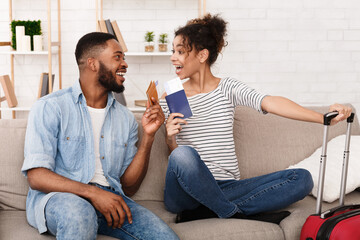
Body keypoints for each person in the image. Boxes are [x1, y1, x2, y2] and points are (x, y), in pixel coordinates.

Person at [160, 14, 352, 224]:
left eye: (180, 52)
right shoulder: (173, 94)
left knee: (302, 179)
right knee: (182, 155)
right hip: (186, 193)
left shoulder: (227, 88)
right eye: (173, 51)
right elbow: (179, 161)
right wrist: (171, 140)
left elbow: (270, 102)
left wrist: (322, 118)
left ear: (202, 55)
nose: (173, 57)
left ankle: (210, 211)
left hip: (228, 187)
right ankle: (232, 212)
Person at [21, 32, 179, 240]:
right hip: (61, 199)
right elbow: (37, 176)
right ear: (93, 64)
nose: (124, 64)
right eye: (117, 57)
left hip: (110, 199)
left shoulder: (125, 118)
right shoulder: (50, 107)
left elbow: (129, 187)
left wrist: (148, 137)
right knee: (79, 214)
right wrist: (93, 193)